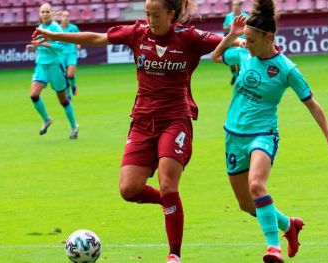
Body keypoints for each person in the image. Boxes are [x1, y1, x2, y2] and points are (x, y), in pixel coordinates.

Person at [32, 0, 223, 262]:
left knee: (168, 184)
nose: (150, 19)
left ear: (171, 14)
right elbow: (97, 38)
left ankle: (174, 255)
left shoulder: (188, 37)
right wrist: (56, 35)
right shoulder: (137, 32)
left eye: (156, 15)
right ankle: (169, 204)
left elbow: (225, 42)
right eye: (147, 14)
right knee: (129, 189)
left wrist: (244, 41)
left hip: (175, 119)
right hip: (142, 121)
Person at [211, 1, 328, 262]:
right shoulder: (243, 53)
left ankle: (273, 248)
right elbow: (216, 57)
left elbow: (312, 105)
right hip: (234, 136)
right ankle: (289, 225)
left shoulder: (286, 69)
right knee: (247, 204)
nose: (246, 44)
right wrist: (232, 36)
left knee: (257, 185)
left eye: (250, 39)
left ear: (268, 37)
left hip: (264, 135)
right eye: (245, 39)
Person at [26, 3, 79, 139]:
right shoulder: (40, 28)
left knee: (63, 100)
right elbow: (40, 47)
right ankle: (46, 119)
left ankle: (74, 126)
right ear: (39, 14)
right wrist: (33, 47)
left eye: (47, 11)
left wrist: (43, 44)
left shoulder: (56, 28)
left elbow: (61, 48)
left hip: (55, 67)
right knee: (34, 95)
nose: (44, 14)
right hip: (41, 66)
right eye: (42, 12)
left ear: (52, 13)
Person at [223, 0, 248, 85]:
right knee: (231, 59)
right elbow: (224, 27)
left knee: (240, 59)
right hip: (232, 41)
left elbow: (249, 27)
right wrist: (228, 26)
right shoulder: (229, 16)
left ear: (240, 6)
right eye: (233, 5)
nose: (234, 7)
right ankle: (234, 74)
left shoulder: (245, 16)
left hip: (242, 41)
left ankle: (239, 76)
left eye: (236, 5)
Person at [60, 10, 81, 96]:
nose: (66, 18)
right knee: (64, 76)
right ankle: (68, 94)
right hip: (61, 55)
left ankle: (74, 85)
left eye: (67, 16)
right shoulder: (57, 28)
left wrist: (78, 44)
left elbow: (79, 37)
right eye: (64, 16)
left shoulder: (73, 28)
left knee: (70, 75)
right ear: (61, 18)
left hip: (71, 53)